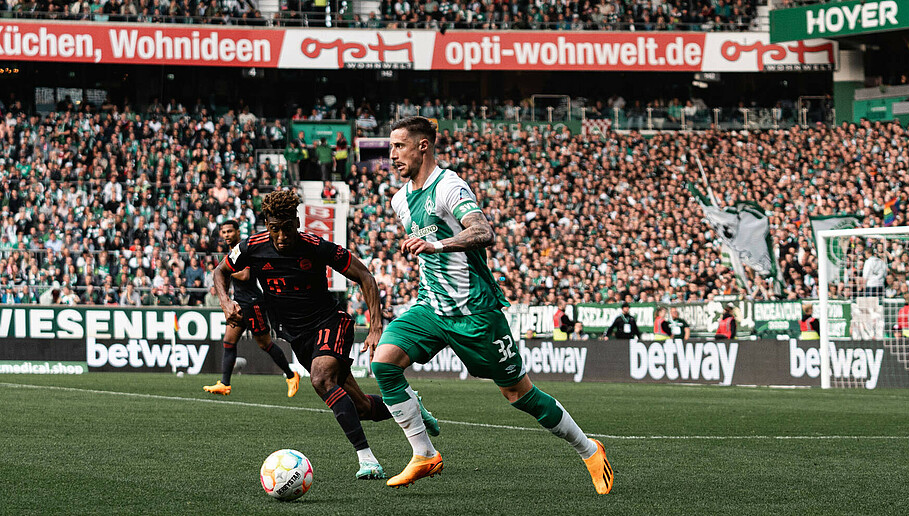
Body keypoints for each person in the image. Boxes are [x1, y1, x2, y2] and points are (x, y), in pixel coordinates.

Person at [370, 116, 612, 494]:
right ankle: (424, 454)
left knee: (518, 394)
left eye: (399, 146)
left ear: (423, 146)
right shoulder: (400, 199)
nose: (392, 155)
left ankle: (589, 449)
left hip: (476, 314)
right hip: (432, 307)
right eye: (390, 147)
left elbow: (483, 231)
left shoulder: (449, 186)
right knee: (383, 364)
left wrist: (438, 244)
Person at [213, 190, 433, 480]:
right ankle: (409, 406)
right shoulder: (251, 246)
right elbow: (220, 271)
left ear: (297, 222)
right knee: (362, 407)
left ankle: (367, 460)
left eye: (287, 228)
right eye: (274, 229)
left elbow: (365, 276)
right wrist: (226, 302)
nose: (281, 236)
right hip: (297, 335)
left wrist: (376, 325)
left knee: (320, 379)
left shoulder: (315, 246)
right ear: (267, 225)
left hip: (330, 321)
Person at [203, 220, 301, 399]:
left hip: (253, 303)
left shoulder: (244, 249)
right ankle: (225, 383)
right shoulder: (231, 253)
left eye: (230, 231)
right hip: (240, 303)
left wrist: (223, 271)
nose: (226, 235)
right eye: (224, 232)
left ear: (238, 232)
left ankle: (291, 375)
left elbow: (246, 275)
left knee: (265, 344)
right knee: (229, 342)